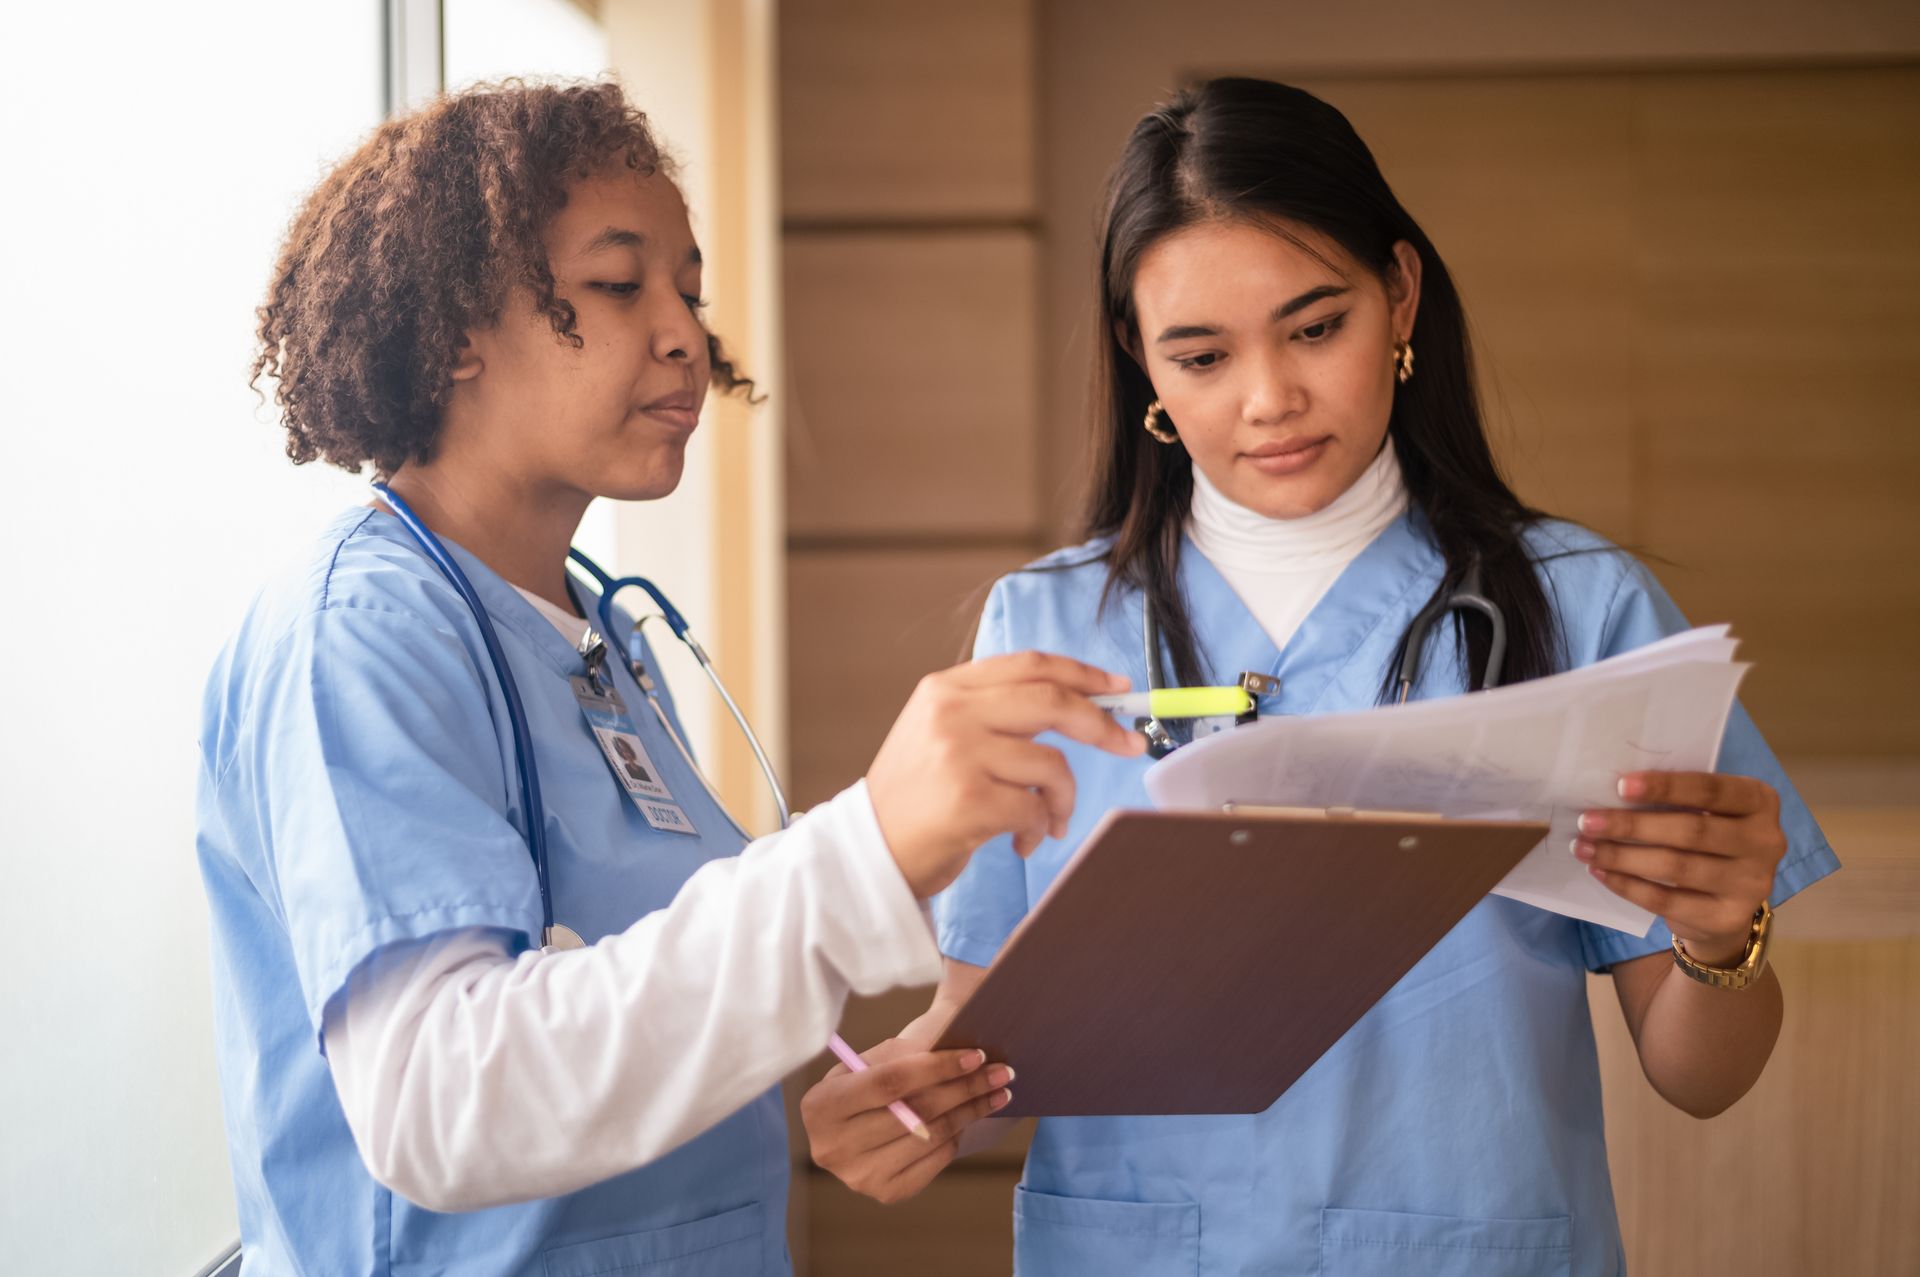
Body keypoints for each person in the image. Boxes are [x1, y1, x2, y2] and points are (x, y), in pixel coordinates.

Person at [801, 77, 1839, 1275]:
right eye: (1200, 354)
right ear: (1142, 360)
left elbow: (1698, 1073)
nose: (1269, 398)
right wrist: (901, 1099)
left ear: (1398, 294)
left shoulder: (1582, 605)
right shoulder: (1041, 624)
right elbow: (978, 1028)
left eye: (1314, 327)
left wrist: (1721, 935)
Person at [197, 80, 1142, 1276]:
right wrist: (865, 849)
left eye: (689, 289)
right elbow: (438, 1098)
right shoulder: (361, 632)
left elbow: (637, 993)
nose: (687, 333)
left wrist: (845, 1077)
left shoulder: (601, 638)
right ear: (452, 331)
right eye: (618, 283)